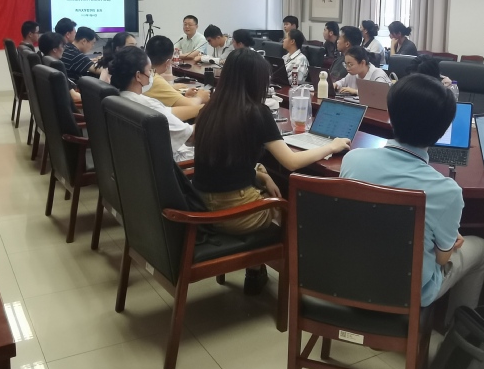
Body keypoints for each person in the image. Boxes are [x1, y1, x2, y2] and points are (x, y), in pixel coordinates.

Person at [341, 75, 484, 320]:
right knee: (482, 248)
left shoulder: (352, 160)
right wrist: (448, 242)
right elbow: (442, 258)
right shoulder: (447, 191)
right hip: (406, 293)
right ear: (441, 131)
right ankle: (458, 330)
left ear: (391, 115)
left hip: (349, 277)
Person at [193, 48, 350, 235]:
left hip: (201, 206)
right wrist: (331, 146)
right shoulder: (256, 112)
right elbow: (292, 162)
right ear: (256, 81)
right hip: (235, 213)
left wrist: (263, 176)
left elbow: (223, 162)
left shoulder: (208, 110)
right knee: (296, 211)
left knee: (270, 179)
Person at [109, 46, 194, 162]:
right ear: (138, 76)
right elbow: (190, 136)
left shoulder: (115, 98)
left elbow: (166, 113)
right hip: (172, 165)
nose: (151, 75)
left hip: (134, 162)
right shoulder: (148, 106)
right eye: (149, 70)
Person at [143, 35, 206, 121]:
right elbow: (191, 105)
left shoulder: (144, 73)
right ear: (168, 62)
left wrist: (181, 94)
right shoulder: (154, 79)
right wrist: (200, 97)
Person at [37, 32, 82, 105]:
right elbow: (74, 97)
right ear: (55, 49)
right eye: (62, 46)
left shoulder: (44, 62)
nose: (64, 49)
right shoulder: (57, 66)